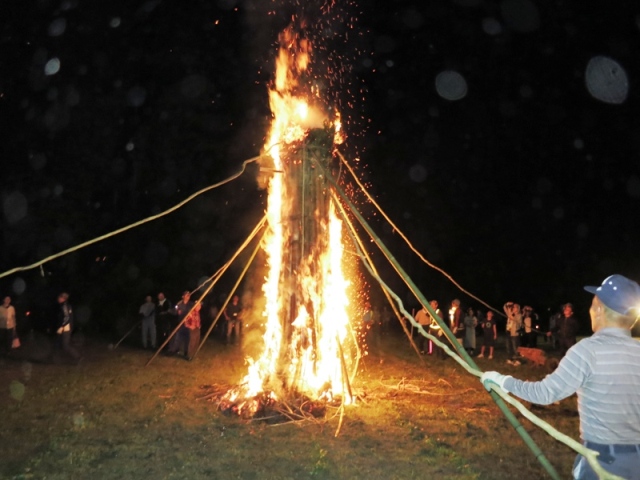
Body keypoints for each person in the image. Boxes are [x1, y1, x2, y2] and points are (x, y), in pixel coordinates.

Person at [482, 274, 640, 480]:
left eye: (593, 305)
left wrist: (501, 380)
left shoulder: (587, 351)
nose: (590, 310)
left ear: (599, 310)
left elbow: (545, 393)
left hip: (603, 463)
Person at [54, 292, 81, 363]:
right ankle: (58, 358)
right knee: (60, 343)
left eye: (59, 298)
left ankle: (78, 357)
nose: (58, 299)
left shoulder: (64, 306)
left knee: (65, 345)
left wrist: (61, 327)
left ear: (63, 298)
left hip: (66, 328)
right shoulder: (66, 305)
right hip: (67, 327)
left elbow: (66, 317)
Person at [169, 291, 194, 356]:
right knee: (178, 338)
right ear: (183, 296)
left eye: (189, 295)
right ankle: (174, 350)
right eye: (186, 295)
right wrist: (177, 310)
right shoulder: (179, 304)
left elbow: (196, 309)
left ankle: (186, 353)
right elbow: (175, 309)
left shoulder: (191, 304)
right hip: (180, 323)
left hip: (188, 324)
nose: (188, 296)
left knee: (187, 339)